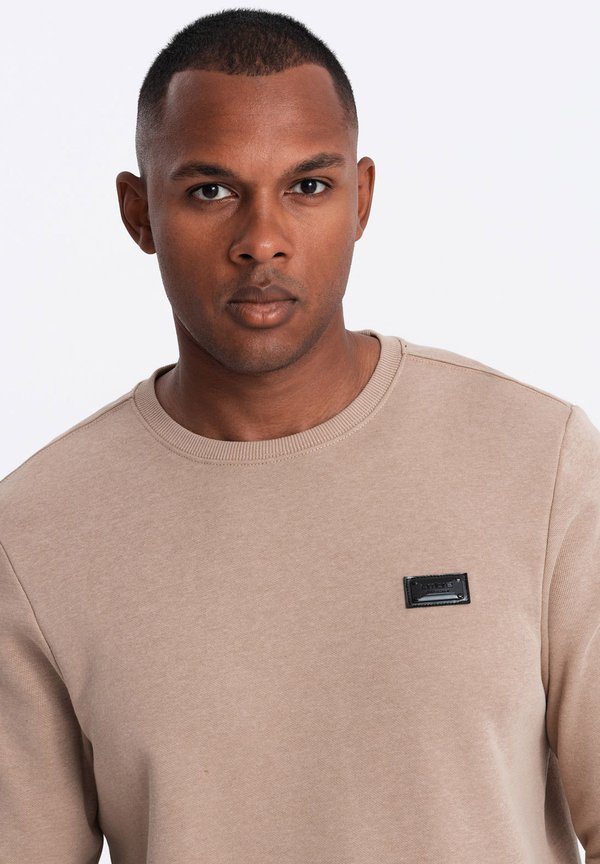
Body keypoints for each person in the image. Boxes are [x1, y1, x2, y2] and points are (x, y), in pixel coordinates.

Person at [0, 9, 598, 863]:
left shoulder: (538, 461)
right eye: (211, 191)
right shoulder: (35, 534)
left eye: (308, 187)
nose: (262, 242)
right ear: (139, 213)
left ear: (362, 198)